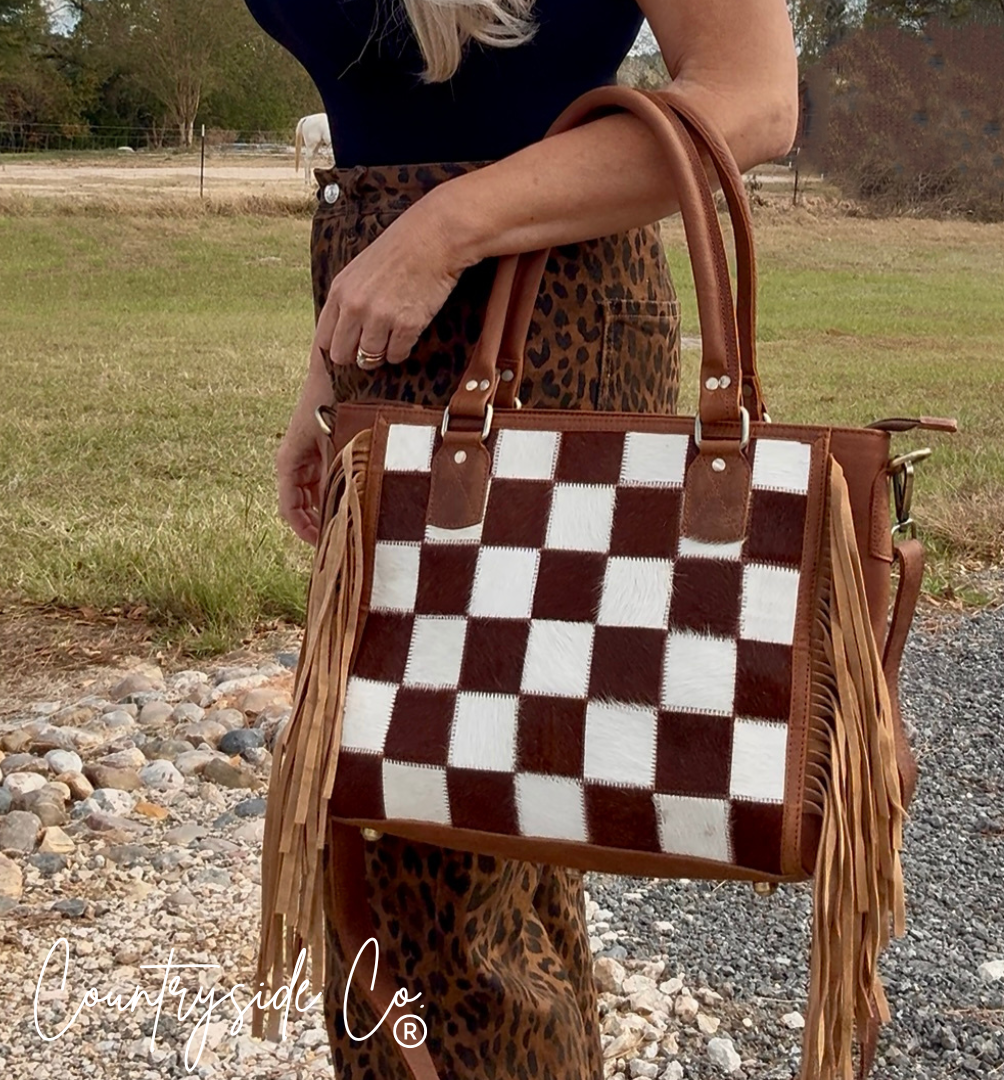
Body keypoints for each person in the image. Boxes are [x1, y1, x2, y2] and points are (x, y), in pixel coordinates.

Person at [243, 1, 798, 1076]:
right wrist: (333, 372)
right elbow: (381, 124)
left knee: (423, 837)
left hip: (550, 326)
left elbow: (754, 97)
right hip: (400, 337)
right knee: (488, 838)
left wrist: (443, 226)